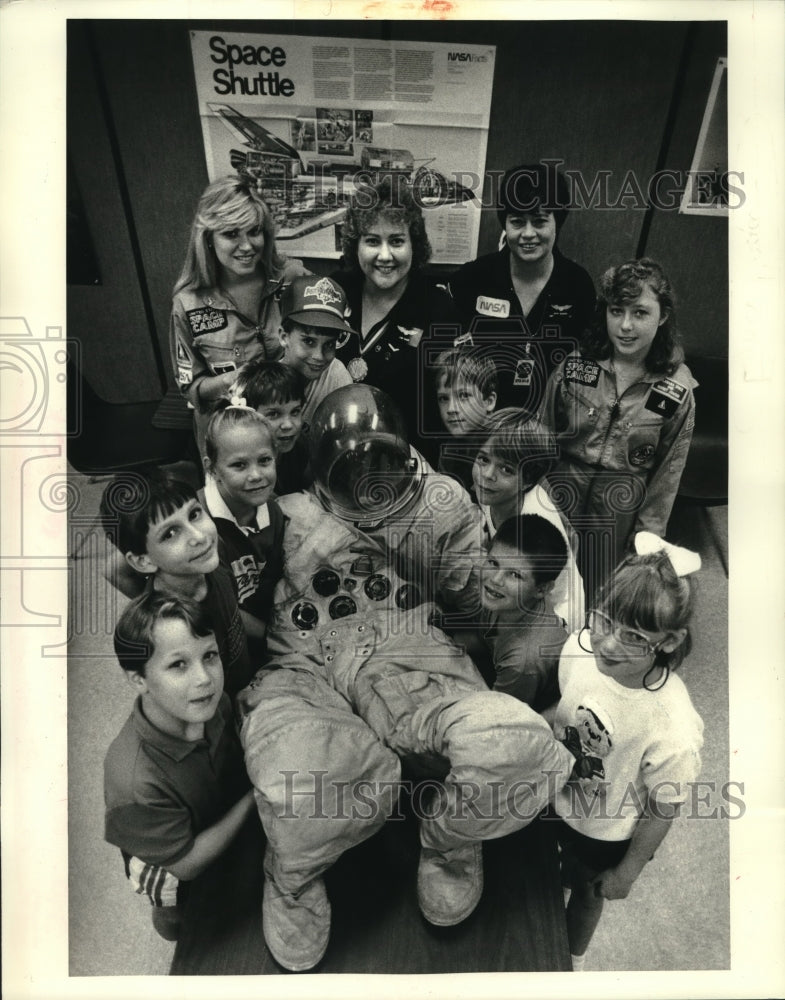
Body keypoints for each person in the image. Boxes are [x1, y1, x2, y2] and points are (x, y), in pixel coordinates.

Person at [235, 384, 579, 972]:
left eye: (382, 462)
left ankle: (449, 839)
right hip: (302, 663)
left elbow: (473, 596)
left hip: (405, 645)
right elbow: (213, 541)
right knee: (299, 778)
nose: (371, 481)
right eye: (355, 466)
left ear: (404, 455)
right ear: (323, 468)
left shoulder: (443, 506)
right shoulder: (286, 512)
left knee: (510, 744)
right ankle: (293, 876)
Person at [548, 533, 704, 971]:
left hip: (604, 831)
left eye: (634, 635)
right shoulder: (581, 647)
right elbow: (566, 709)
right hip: (554, 795)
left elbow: (663, 808)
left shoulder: (673, 726)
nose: (607, 644)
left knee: (585, 894)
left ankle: (571, 965)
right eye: (605, 620)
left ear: (669, 642)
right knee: (549, 875)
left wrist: (628, 871)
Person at [538, 258, 697, 598]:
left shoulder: (676, 390)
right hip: (561, 486)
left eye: (640, 313)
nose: (625, 325)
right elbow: (541, 433)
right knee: (545, 579)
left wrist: (648, 537)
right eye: (616, 311)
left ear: (663, 316)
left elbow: (668, 474)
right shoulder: (576, 365)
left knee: (598, 588)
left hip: (620, 502)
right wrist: (532, 498)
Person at [104, 592, 256, 941]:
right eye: (178, 665)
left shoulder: (208, 703)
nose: (205, 679)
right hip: (165, 856)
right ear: (138, 678)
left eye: (210, 656)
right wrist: (252, 797)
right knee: (173, 910)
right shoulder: (133, 781)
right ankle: (175, 931)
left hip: (210, 805)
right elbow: (185, 864)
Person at [169, 175, 309, 453]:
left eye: (254, 231)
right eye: (231, 234)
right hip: (233, 442)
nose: (247, 246)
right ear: (208, 238)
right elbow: (191, 388)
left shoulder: (293, 278)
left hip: (292, 431)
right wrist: (230, 381)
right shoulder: (188, 303)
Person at [331, 177, 462, 463]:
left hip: (408, 464)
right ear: (356, 244)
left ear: (415, 245)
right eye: (372, 241)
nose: (385, 255)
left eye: (397, 241)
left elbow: (450, 408)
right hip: (333, 456)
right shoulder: (333, 293)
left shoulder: (439, 309)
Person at [448, 163, 595, 413]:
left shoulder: (577, 286)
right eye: (517, 222)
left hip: (546, 427)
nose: (528, 234)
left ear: (557, 222)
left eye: (539, 221)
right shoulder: (473, 278)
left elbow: (586, 367)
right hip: (479, 422)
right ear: (504, 224)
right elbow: (448, 359)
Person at [99, 470, 254, 697]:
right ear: (142, 561)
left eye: (194, 514)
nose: (198, 537)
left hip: (248, 683)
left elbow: (232, 614)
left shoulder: (210, 562)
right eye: (170, 533)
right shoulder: (169, 628)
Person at [472, 408, 585, 633]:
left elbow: (555, 593)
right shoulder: (493, 490)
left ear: (527, 480)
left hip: (555, 616)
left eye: (506, 469)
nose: (487, 474)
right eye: (484, 459)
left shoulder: (537, 525)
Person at [201, 405, 285, 658]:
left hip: (262, 630)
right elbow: (222, 612)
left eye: (264, 460)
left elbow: (272, 579)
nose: (256, 475)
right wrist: (278, 639)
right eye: (239, 465)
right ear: (212, 469)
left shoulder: (273, 511)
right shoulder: (200, 528)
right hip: (219, 643)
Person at [475, 514, 569, 712]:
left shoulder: (523, 661)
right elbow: (484, 641)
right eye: (493, 563)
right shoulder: (503, 599)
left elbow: (499, 715)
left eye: (515, 575)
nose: (496, 579)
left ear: (542, 590)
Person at [275, 274, 355, 426]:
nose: (319, 356)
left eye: (330, 344)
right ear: (284, 337)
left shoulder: (336, 374)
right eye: (309, 341)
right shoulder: (265, 384)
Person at [232, 359, 312, 495]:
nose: (288, 425)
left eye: (295, 412)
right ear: (248, 415)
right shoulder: (238, 464)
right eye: (274, 414)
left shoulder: (301, 448)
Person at [430, 347, 498, 492]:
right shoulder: (449, 453)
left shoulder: (509, 445)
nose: (451, 408)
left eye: (464, 396)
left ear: (489, 401)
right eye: (443, 398)